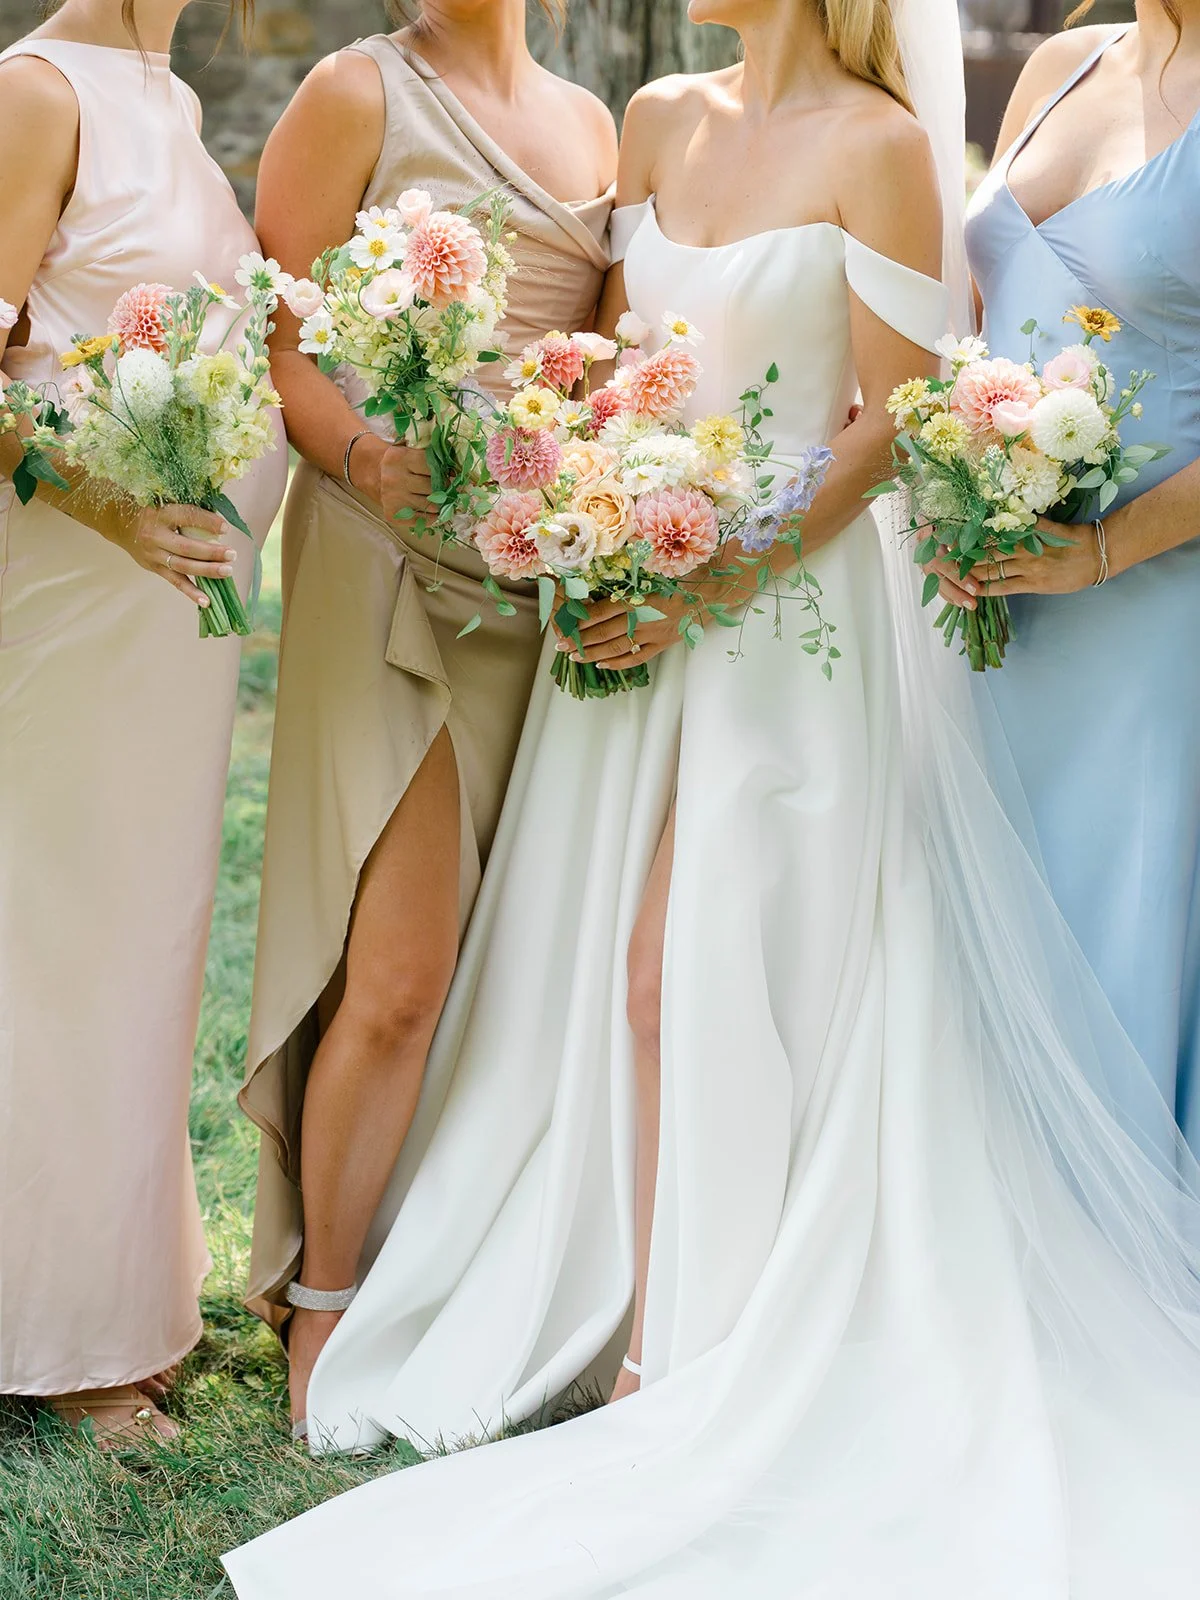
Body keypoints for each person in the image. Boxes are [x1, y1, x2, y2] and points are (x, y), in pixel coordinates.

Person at [226, 2, 1200, 1594]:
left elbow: (893, 418)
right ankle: (601, 1295)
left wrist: (718, 563)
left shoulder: (886, 152)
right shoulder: (660, 121)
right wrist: (588, 501)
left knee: (683, 971)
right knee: (590, 980)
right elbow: (614, 359)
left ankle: (693, 1350)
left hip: (785, 636)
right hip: (635, 607)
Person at [240, 0, 615, 1436]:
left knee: (494, 962)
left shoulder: (593, 124)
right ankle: (325, 1302)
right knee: (397, 970)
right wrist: (365, 453)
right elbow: (278, 347)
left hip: (532, 579)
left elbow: (597, 361)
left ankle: (435, 1257)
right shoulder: (353, 94)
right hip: (385, 549)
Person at [0, 0, 286, 1443]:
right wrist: (113, 508)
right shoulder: (37, 92)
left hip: (168, 622)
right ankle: (65, 1345)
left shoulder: (158, 92)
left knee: (142, 941)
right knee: (61, 940)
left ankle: (105, 1292)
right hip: (75, 592)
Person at [932, 0, 1200, 1158]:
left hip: (1153, 611)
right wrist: (959, 475)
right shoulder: (1063, 59)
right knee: (982, 931)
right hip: (1002, 603)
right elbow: (985, 316)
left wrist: (1099, 549)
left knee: (1120, 926)